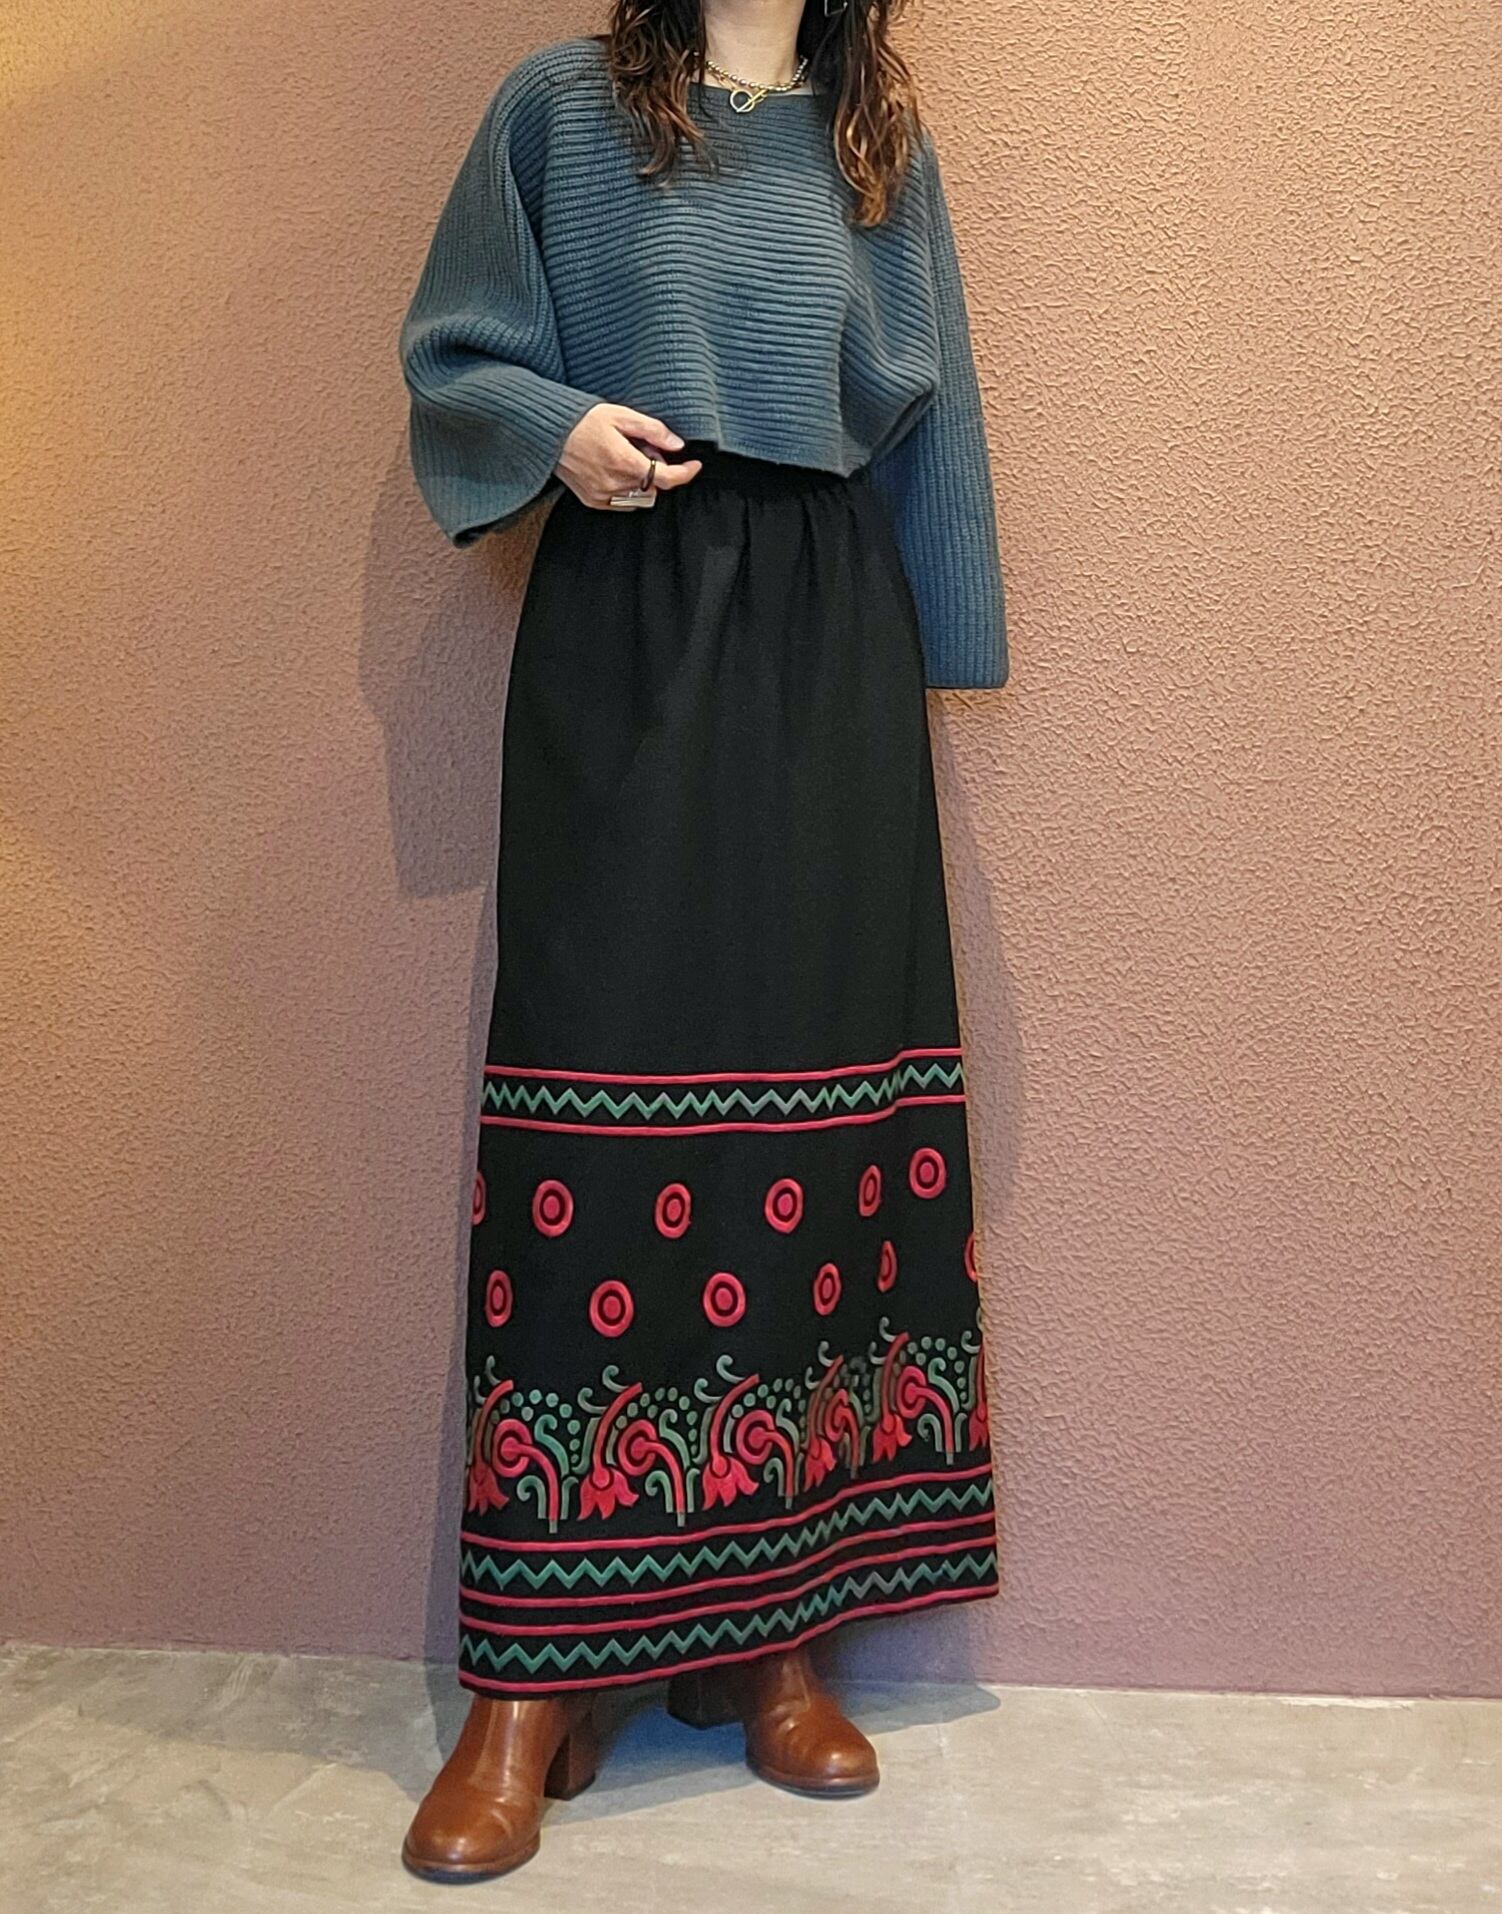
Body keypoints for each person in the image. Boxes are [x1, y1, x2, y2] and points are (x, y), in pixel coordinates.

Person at [396, 0, 1009, 1882]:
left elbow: (933, 411)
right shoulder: (562, 110)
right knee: (588, 1107)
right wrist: (553, 428)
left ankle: (769, 1640)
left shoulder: (872, 138)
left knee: (817, 1107)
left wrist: (949, 637)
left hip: (827, 647)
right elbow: (454, 346)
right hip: (632, 621)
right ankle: (530, 1679)